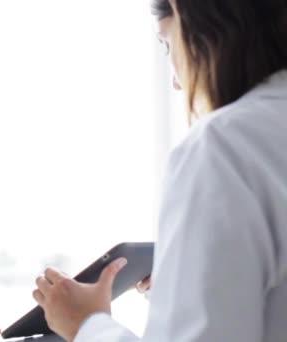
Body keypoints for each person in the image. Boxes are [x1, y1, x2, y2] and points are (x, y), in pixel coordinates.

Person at [34, 0, 287, 341]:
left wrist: (86, 324)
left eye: (168, 44)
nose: (176, 82)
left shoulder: (223, 147)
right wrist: (182, 287)